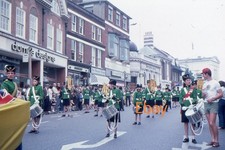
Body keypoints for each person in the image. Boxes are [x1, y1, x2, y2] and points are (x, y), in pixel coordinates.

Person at [1, 65, 23, 150]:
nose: (10, 74)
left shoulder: (14, 83)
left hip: (15, 109)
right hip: (9, 109)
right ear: (6, 74)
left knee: (16, 132)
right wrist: (16, 99)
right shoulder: (4, 84)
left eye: (12, 73)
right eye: (9, 73)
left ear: (14, 74)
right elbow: (5, 97)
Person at [202, 68, 223, 147]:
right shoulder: (204, 84)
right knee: (209, 124)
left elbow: (221, 94)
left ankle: (217, 141)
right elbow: (202, 95)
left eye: (203, 74)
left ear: (207, 74)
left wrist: (213, 98)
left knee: (212, 122)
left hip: (213, 103)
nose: (203, 76)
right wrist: (203, 95)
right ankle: (212, 140)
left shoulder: (215, 82)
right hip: (206, 103)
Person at [179, 74, 198, 144]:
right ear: (184, 82)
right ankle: (186, 137)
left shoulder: (194, 89)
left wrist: (192, 103)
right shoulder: (182, 90)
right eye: (187, 80)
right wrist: (182, 105)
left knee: (193, 123)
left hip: (192, 108)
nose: (189, 81)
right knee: (185, 122)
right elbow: (180, 99)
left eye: (189, 80)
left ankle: (193, 137)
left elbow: (196, 98)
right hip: (185, 108)